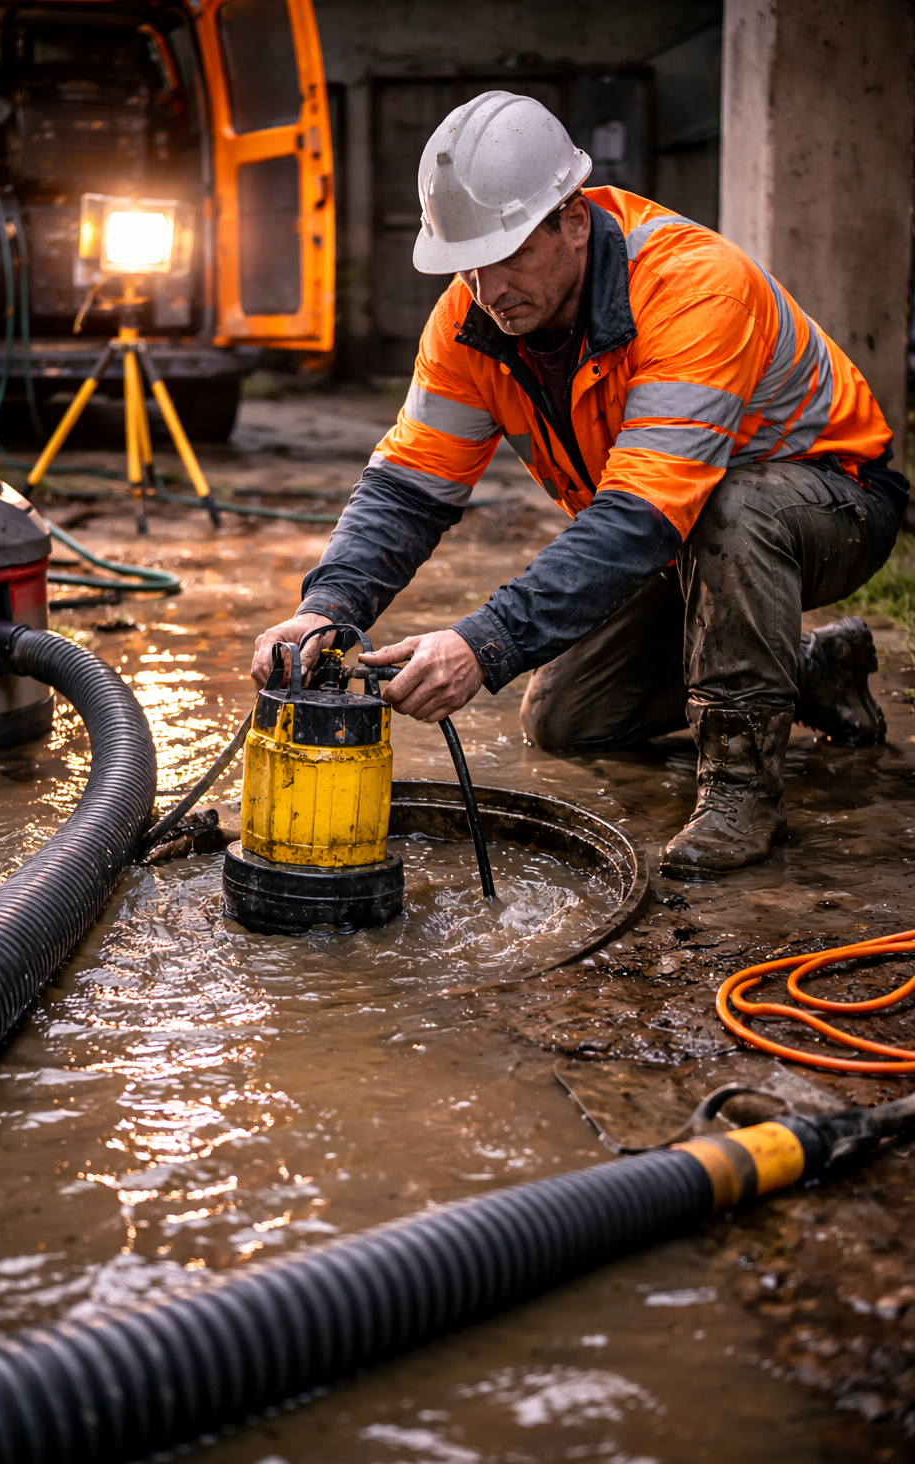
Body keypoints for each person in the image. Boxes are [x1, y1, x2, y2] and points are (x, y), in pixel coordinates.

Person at [252, 91, 907, 879]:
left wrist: (480, 643)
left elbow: (638, 518)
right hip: (677, 529)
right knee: (568, 718)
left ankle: (740, 790)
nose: (488, 287)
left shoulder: (693, 286)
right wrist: (328, 607)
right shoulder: (472, 322)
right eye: (469, 261)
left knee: (734, 508)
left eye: (509, 253)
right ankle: (806, 670)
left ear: (572, 220)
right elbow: (408, 489)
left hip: (832, 503)